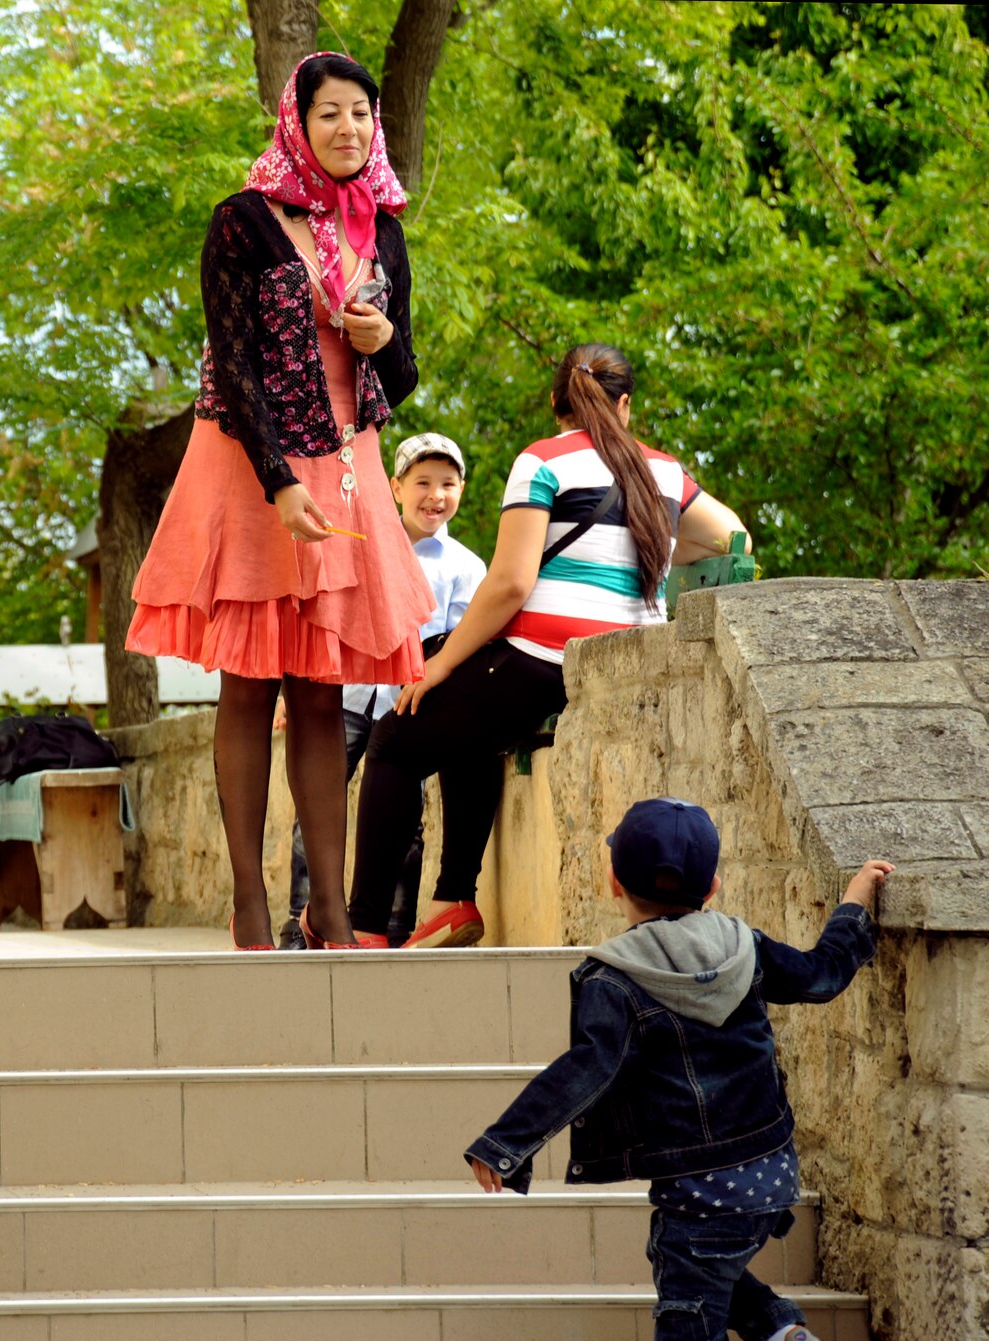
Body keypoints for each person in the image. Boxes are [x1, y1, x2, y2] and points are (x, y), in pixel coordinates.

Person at [127, 51, 434, 952]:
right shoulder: (243, 223)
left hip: (347, 462)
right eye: (330, 113)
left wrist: (378, 340)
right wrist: (280, 481)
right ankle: (249, 900)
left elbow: (402, 373)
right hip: (251, 463)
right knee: (251, 683)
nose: (349, 129)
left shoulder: (382, 228)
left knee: (320, 687)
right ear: (295, 122)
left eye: (362, 115)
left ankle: (330, 906)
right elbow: (233, 363)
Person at [344, 342, 749, 950]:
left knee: (398, 736)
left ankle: (367, 925)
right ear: (625, 405)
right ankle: (453, 902)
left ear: (556, 403)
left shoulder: (543, 461)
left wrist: (438, 665)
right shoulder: (664, 472)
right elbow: (732, 537)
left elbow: (510, 583)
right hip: (625, 654)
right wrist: (649, 546)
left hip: (544, 657)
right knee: (467, 725)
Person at [464, 797, 888, 1341]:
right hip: (771, 1175)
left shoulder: (613, 979)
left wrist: (505, 1143)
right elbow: (821, 976)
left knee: (688, 1298)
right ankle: (782, 1331)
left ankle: (777, 1329)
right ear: (711, 886)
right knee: (705, 1264)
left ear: (614, 882)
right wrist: (855, 901)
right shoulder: (744, 946)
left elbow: (586, 1069)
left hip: (698, 1192)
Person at [279, 433, 486, 950]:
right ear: (394, 487)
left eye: (448, 484)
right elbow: (328, 619)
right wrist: (293, 696)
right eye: (422, 483)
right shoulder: (361, 544)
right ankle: (301, 922)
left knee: (403, 818)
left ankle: (392, 923)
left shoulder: (466, 567)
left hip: (408, 705)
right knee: (316, 811)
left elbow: (460, 644)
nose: (435, 495)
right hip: (346, 698)